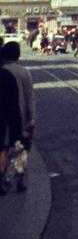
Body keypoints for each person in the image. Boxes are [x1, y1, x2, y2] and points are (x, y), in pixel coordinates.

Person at [0, 41, 34, 193]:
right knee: (21, 149)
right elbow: (30, 97)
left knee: (5, 148)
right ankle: (20, 180)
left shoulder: (3, 71)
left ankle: (4, 179)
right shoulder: (24, 72)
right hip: (22, 117)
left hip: (6, 117)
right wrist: (32, 118)